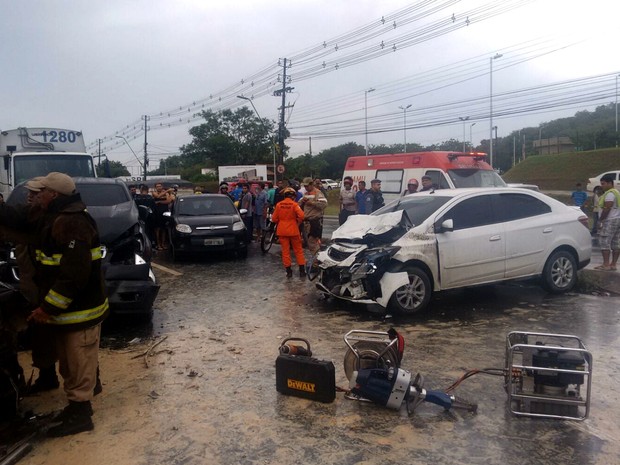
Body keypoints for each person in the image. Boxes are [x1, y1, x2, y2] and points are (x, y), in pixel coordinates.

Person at [0, 172, 109, 437]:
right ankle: (76, 407)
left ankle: (81, 414)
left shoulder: (72, 224)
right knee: (71, 363)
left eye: (40, 192)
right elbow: (19, 221)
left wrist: (48, 307)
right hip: (69, 310)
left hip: (79, 310)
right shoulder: (53, 218)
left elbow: (74, 275)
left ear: (54, 195)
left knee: (79, 360)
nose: (34, 196)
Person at [272, 187, 306, 278]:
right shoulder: (294, 205)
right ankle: (302, 271)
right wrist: (297, 221)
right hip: (293, 230)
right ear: (293, 196)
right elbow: (302, 216)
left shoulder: (279, 205)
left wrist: (281, 220)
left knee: (285, 252)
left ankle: (289, 271)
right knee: (298, 251)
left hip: (282, 231)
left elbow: (274, 219)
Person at [595, 174, 620, 271]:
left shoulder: (609, 194)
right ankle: (613, 264)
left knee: (604, 241)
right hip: (617, 219)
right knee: (616, 243)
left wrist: (601, 220)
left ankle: (606, 264)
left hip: (609, 220)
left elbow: (607, 208)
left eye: (603, 184)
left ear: (610, 183)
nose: (602, 186)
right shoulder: (617, 192)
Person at [300, 177, 328, 255]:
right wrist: (302, 201)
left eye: (307, 186)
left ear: (312, 184)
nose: (305, 188)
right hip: (307, 221)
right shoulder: (306, 194)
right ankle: (316, 259)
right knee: (309, 243)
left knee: (312, 242)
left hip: (314, 221)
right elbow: (299, 205)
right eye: (304, 186)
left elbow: (324, 204)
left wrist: (312, 203)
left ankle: (317, 260)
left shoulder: (318, 193)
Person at [151, 182, 173, 250]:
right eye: (157, 186)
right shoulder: (153, 192)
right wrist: (166, 191)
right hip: (157, 213)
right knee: (157, 229)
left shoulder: (165, 193)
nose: (159, 187)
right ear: (155, 187)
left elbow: (169, 201)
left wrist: (160, 202)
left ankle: (163, 244)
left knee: (163, 229)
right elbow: (157, 196)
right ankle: (158, 244)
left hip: (164, 212)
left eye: (160, 186)